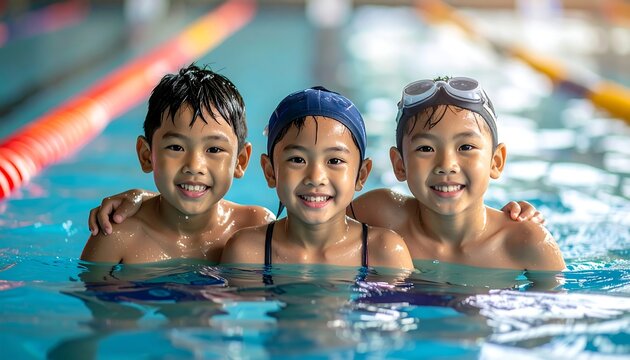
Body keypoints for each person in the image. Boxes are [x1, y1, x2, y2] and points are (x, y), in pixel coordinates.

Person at [349, 76, 565, 271]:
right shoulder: (379, 214)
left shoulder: (525, 244)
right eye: (426, 149)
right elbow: (320, 231)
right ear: (399, 165)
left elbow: (557, 311)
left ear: (496, 161)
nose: (447, 164)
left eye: (466, 147)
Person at [80, 64, 273, 264]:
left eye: (214, 150)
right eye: (176, 147)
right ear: (147, 155)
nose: (194, 165)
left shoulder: (256, 228)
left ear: (240, 161)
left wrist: (142, 195)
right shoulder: (117, 236)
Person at [220, 86, 413, 269]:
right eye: (297, 160)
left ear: (361, 175)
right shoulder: (249, 252)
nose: (315, 177)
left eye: (335, 161)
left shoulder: (384, 253)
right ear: (270, 172)